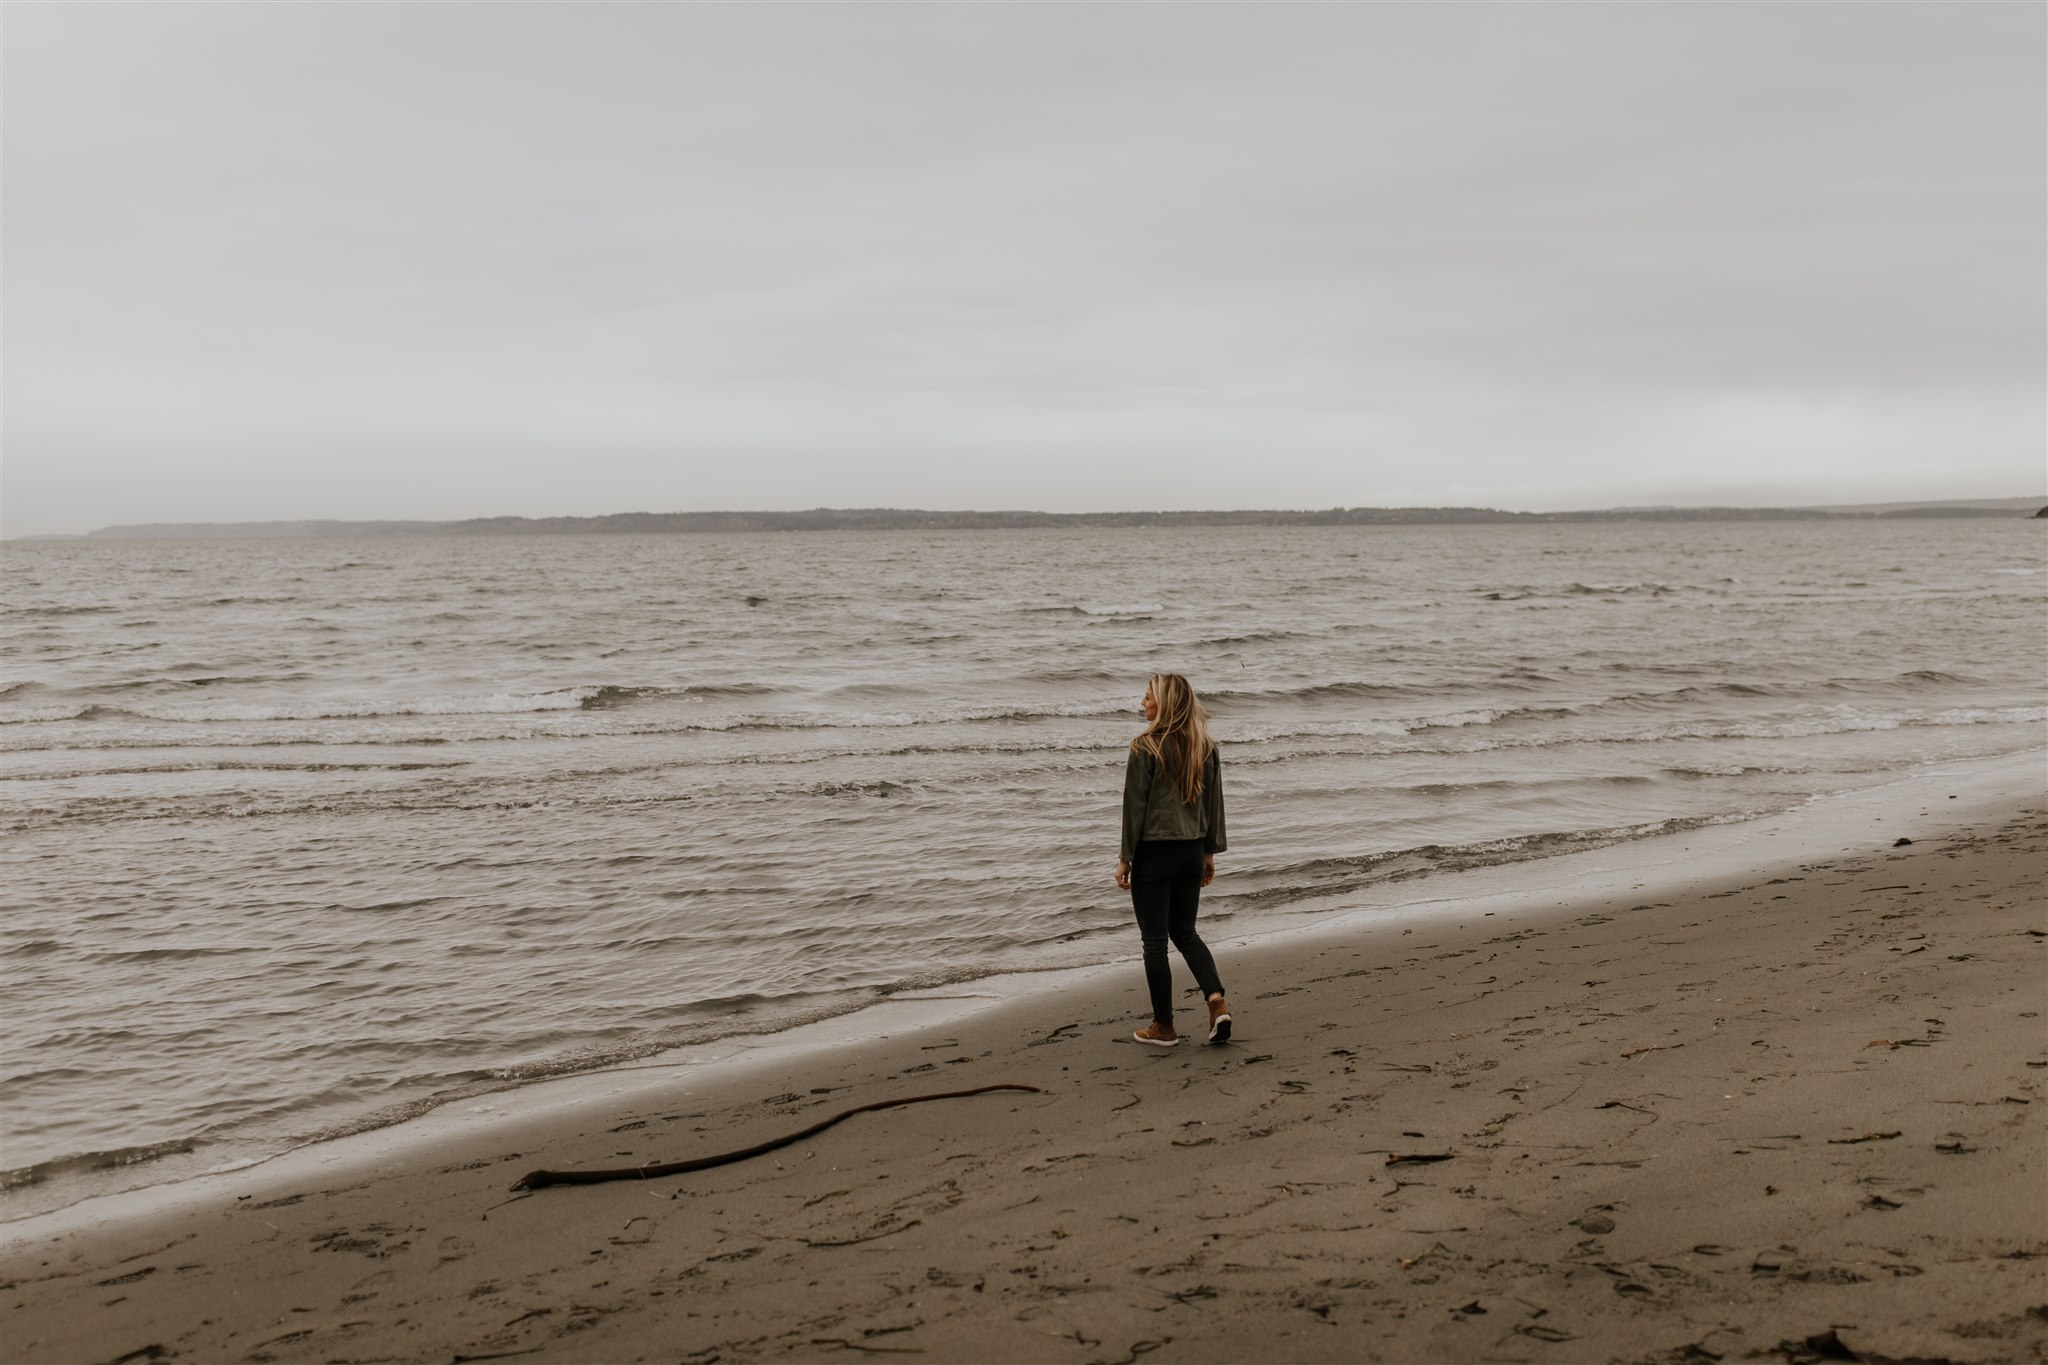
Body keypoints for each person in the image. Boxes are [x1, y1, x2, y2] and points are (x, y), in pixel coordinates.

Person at [1115, 672, 1231, 1047]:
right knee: (1185, 932)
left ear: (1163, 703)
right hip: (1192, 851)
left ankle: (1164, 1027)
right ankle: (1217, 1003)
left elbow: (1135, 808)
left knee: (1154, 941)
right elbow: (1214, 806)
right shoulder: (1205, 747)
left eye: (1147, 697)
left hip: (1155, 853)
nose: (1142, 702)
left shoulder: (1144, 746)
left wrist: (1125, 858)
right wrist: (1209, 853)